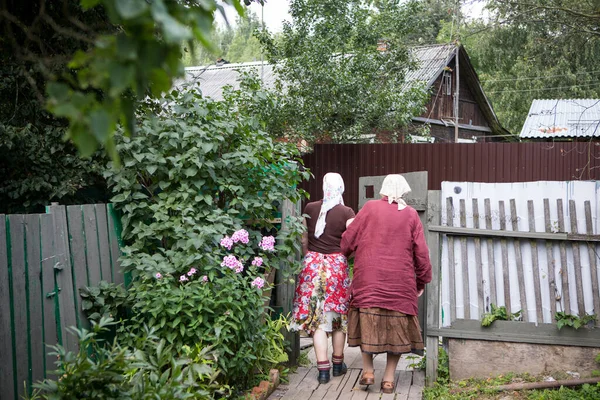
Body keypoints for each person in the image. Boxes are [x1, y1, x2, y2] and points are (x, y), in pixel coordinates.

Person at [341, 174, 432, 394]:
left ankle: (368, 372)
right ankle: (389, 379)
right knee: (397, 332)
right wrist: (421, 280)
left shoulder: (370, 208)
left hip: (368, 282)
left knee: (367, 324)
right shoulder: (410, 214)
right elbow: (421, 253)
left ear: (383, 190)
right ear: (403, 191)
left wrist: (348, 234)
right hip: (400, 285)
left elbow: (347, 243)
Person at [290, 172, 356, 384]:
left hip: (312, 265)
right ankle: (338, 363)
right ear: (342, 187)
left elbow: (303, 238)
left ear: (323, 186)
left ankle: (323, 370)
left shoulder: (310, 208)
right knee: (336, 317)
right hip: (336, 267)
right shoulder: (347, 212)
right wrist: (344, 256)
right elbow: (354, 239)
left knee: (316, 319)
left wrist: (310, 254)